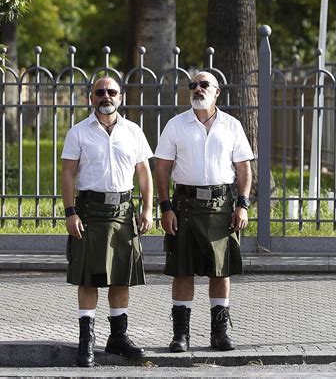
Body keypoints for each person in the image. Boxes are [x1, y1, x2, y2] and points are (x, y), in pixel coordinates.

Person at [154, 71, 253, 352]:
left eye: (204, 85)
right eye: (193, 86)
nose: (197, 89)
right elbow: (161, 168)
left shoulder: (232, 126)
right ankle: (180, 336)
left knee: (220, 273)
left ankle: (219, 334)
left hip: (222, 206)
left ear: (217, 92)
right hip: (184, 206)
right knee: (183, 272)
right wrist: (165, 208)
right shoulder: (176, 125)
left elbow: (244, 167)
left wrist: (242, 205)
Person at [61, 76, 153, 367]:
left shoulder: (133, 131)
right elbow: (67, 174)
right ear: (91, 97)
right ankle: (86, 342)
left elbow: (144, 174)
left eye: (111, 92)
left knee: (121, 277)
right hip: (89, 212)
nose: (106, 96)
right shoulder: (78, 132)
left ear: (120, 97)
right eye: (100, 92)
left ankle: (118, 338)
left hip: (124, 211)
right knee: (88, 278)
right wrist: (70, 211)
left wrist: (148, 210)